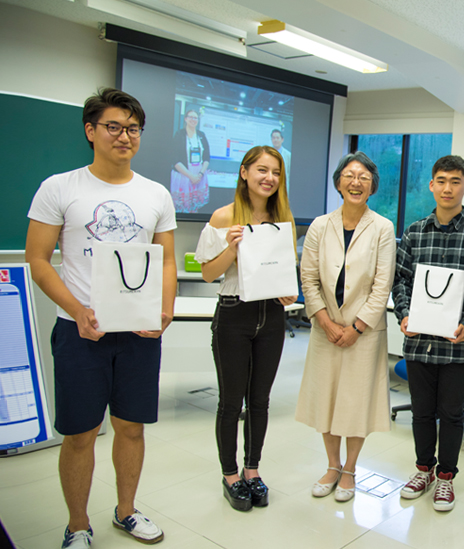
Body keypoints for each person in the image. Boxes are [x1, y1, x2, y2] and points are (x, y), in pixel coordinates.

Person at [25, 88, 177, 548]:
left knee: (131, 427)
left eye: (133, 128)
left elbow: (168, 261)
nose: (124, 136)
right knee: (80, 434)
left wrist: (164, 312)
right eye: (113, 126)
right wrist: (77, 310)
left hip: (138, 332)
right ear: (91, 131)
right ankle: (77, 526)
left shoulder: (155, 193)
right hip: (79, 332)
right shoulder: (60, 187)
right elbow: (38, 259)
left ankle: (126, 512)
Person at [194, 145, 297, 512]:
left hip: (271, 316)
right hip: (234, 315)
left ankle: (252, 470)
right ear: (244, 173)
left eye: (276, 172)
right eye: (262, 170)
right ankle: (230, 475)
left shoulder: (282, 219)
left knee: (260, 400)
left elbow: (280, 272)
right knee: (230, 401)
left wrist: (287, 291)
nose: (269, 178)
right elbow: (208, 273)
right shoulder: (223, 218)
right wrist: (233, 248)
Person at [392, 155, 464, 512]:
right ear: (432, 186)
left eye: (455, 181)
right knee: (421, 412)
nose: (447, 188)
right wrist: (404, 314)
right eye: (441, 180)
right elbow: (400, 280)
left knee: (451, 413)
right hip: (419, 341)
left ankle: (446, 477)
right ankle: (423, 470)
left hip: (458, 345)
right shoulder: (415, 232)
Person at [295, 151, 396, 502]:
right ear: (338, 182)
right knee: (326, 398)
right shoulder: (320, 226)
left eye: (364, 177)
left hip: (363, 334)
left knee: (355, 402)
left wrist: (355, 328)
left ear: (372, 187)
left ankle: (351, 468)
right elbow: (308, 279)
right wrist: (323, 320)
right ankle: (332, 465)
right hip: (326, 330)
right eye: (350, 176)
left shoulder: (383, 227)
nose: (356, 182)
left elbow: (382, 285)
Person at [170, 109, 211, 213]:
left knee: (195, 208)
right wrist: (191, 176)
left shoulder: (202, 135)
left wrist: (200, 174)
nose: (193, 120)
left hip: (199, 177)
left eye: (195, 118)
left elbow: (206, 157)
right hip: (183, 176)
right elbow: (174, 159)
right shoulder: (179, 134)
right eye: (191, 117)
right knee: (181, 209)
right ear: (186, 119)